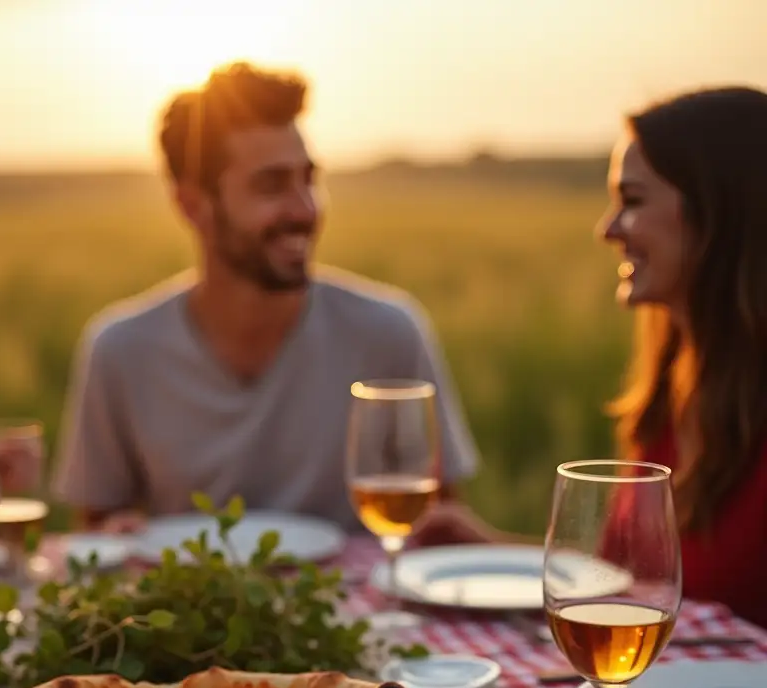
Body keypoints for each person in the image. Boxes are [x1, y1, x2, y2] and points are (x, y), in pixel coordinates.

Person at [51, 62, 479, 534]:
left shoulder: (388, 332)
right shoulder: (121, 350)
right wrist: (115, 539)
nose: (306, 209)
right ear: (193, 206)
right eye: (271, 185)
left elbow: (436, 531)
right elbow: (97, 535)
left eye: (309, 180)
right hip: (192, 585)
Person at [418, 86, 767, 628]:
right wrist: (493, 548)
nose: (607, 229)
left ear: (717, 212)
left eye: (632, 201)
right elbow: (631, 582)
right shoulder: (674, 385)